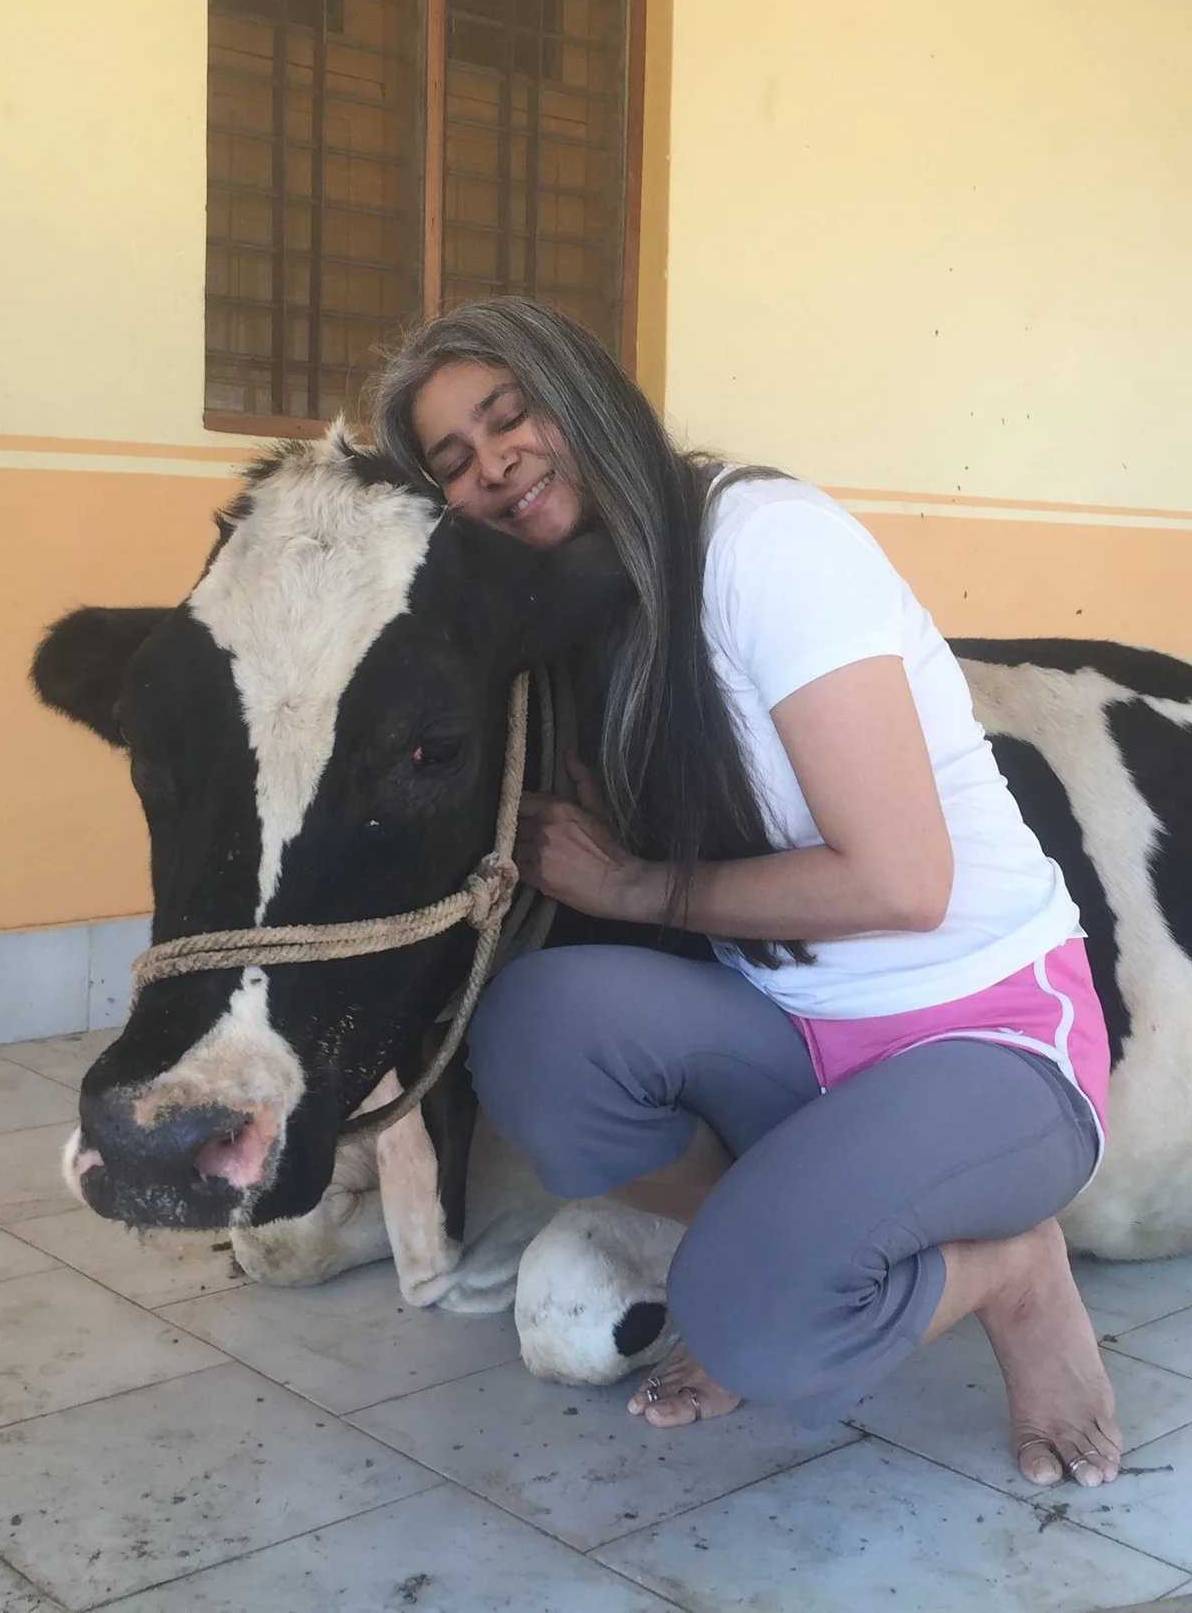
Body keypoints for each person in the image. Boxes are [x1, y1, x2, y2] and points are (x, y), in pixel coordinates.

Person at [371, 298, 1121, 1488]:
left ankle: (1010, 1272)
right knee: (533, 1034)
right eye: (451, 463)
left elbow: (900, 880)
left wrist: (635, 881)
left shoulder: (763, 542)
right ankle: (770, 1251)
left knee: (754, 1327)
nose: (491, 463)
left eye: (508, 416)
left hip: (991, 1036)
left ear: (585, 398)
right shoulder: (606, 615)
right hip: (795, 1035)